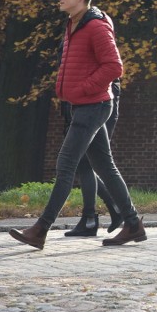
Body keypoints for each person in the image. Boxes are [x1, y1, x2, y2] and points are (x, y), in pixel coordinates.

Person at [9, 0, 145, 249]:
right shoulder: (74, 24)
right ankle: (133, 224)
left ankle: (40, 230)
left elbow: (114, 67)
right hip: (84, 105)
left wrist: (84, 88)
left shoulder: (95, 26)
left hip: (93, 106)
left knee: (65, 165)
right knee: (105, 167)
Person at [59, 79, 123, 237]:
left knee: (84, 163)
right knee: (85, 163)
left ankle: (91, 218)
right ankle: (114, 207)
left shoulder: (90, 54)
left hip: (95, 108)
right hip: (92, 108)